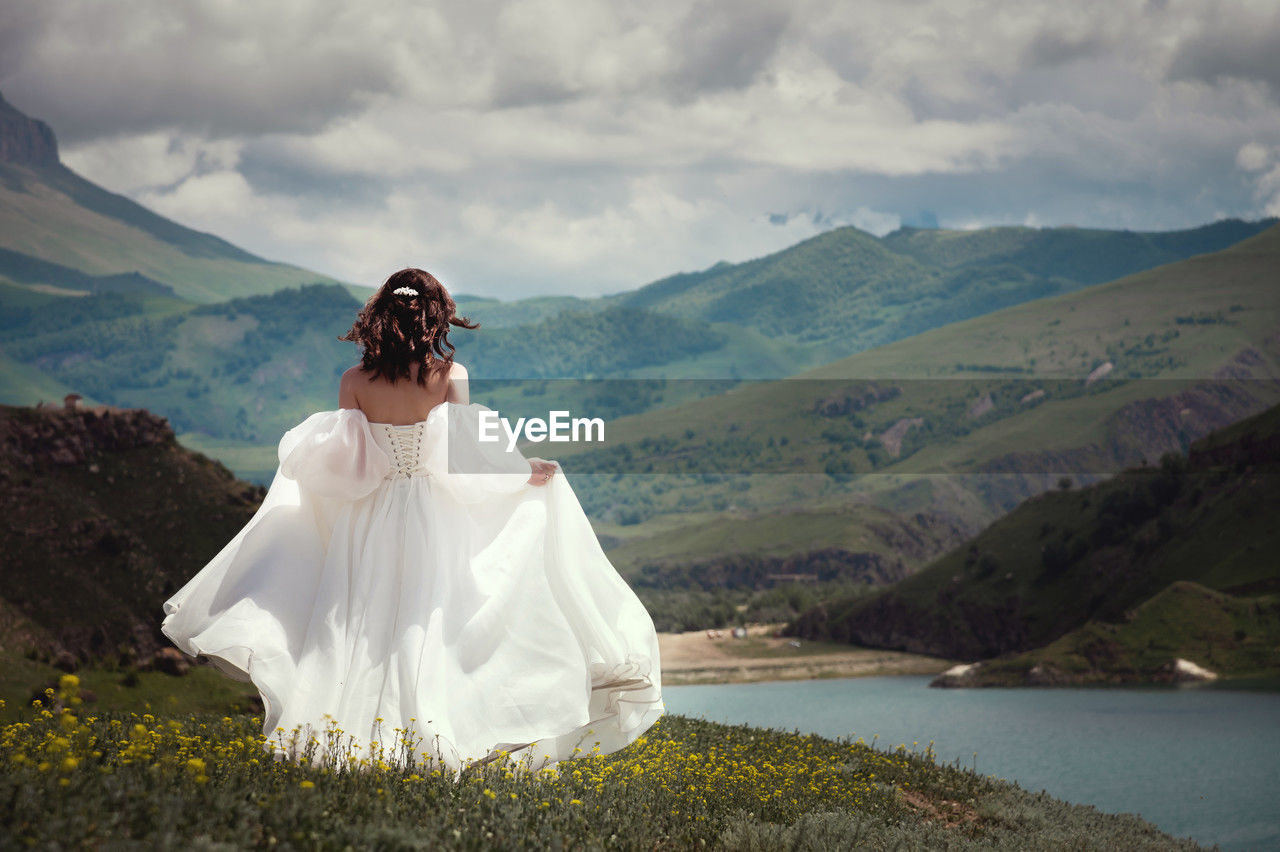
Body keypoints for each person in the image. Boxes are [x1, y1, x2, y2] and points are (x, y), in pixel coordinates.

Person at [160, 268, 664, 781]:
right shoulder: (449, 376)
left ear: (379, 316)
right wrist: (522, 470)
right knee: (431, 621)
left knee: (364, 622)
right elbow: (465, 457)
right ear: (435, 316)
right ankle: (435, 734)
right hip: (433, 512)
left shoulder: (354, 381)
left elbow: (349, 464)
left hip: (371, 516)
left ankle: (343, 739)